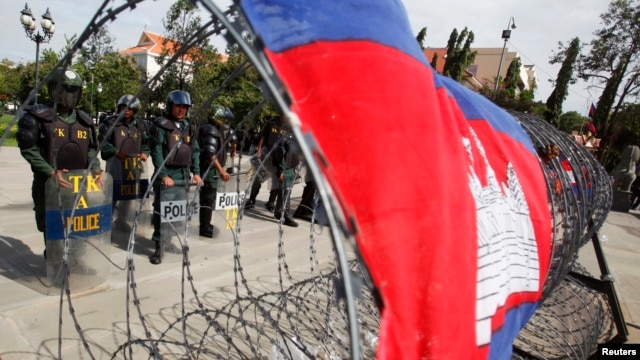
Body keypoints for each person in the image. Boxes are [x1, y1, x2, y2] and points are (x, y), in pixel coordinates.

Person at [16, 67, 103, 256]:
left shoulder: (84, 121)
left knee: (79, 224)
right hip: (49, 183)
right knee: (52, 227)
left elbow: (90, 149)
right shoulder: (38, 117)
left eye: (73, 91)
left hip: (78, 183)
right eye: (65, 90)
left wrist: (95, 168)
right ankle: (54, 261)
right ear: (54, 89)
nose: (69, 96)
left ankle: (77, 261)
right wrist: (49, 171)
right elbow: (28, 148)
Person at [148, 90, 203, 264]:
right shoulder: (161, 125)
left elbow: (194, 150)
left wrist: (197, 172)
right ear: (170, 106)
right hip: (168, 174)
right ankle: (159, 245)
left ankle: (169, 240)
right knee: (162, 211)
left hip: (183, 174)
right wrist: (163, 175)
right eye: (178, 106)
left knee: (177, 211)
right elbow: (156, 152)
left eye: (185, 107)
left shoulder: (189, 126)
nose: (181, 110)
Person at [99, 95, 150, 230]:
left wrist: (145, 153)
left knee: (129, 194)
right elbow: (103, 144)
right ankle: (105, 223)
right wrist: (116, 152)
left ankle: (121, 220)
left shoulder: (140, 126)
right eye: (124, 108)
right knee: (111, 194)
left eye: (130, 109)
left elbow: (146, 143)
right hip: (116, 165)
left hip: (134, 166)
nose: (126, 111)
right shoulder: (110, 124)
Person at [198, 104, 233, 237]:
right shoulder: (211, 130)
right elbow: (210, 153)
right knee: (207, 199)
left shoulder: (214, 129)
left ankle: (206, 224)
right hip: (209, 171)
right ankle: (204, 227)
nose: (225, 122)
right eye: (223, 119)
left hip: (212, 171)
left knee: (210, 199)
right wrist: (221, 170)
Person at [245, 114, 286, 210]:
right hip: (267, 153)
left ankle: (271, 202)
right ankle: (251, 200)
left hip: (280, 157)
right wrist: (259, 150)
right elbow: (263, 137)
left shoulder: (290, 126)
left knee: (276, 181)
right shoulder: (271, 123)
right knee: (259, 177)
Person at [272, 131, 300, 227]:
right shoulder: (285, 139)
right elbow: (281, 158)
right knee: (286, 192)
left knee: (284, 191)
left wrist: (296, 167)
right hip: (285, 170)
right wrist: (281, 171)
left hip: (291, 169)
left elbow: (294, 155)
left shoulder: (295, 137)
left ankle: (278, 211)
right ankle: (287, 215)